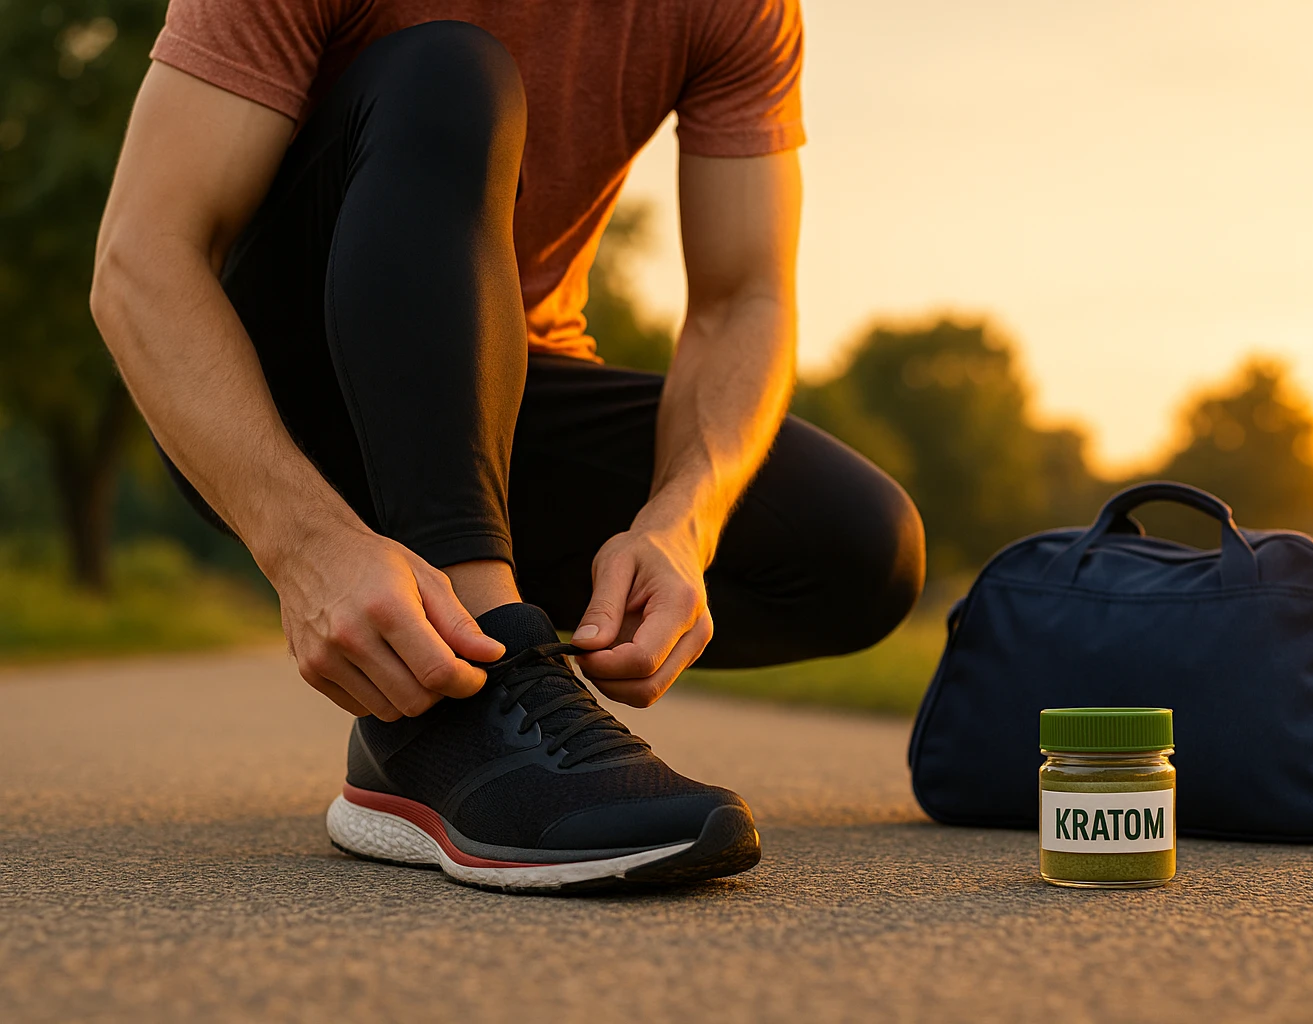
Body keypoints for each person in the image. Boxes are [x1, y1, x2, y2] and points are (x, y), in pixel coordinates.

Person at [91, 1, 924, 893]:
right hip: (281, 389)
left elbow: (741, 300)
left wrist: (682, 521)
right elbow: (142, 258)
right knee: (450, 68)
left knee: (855, 548)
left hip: (507, 392)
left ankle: (420, 695)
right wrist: (305, 549)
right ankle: (482, 681)